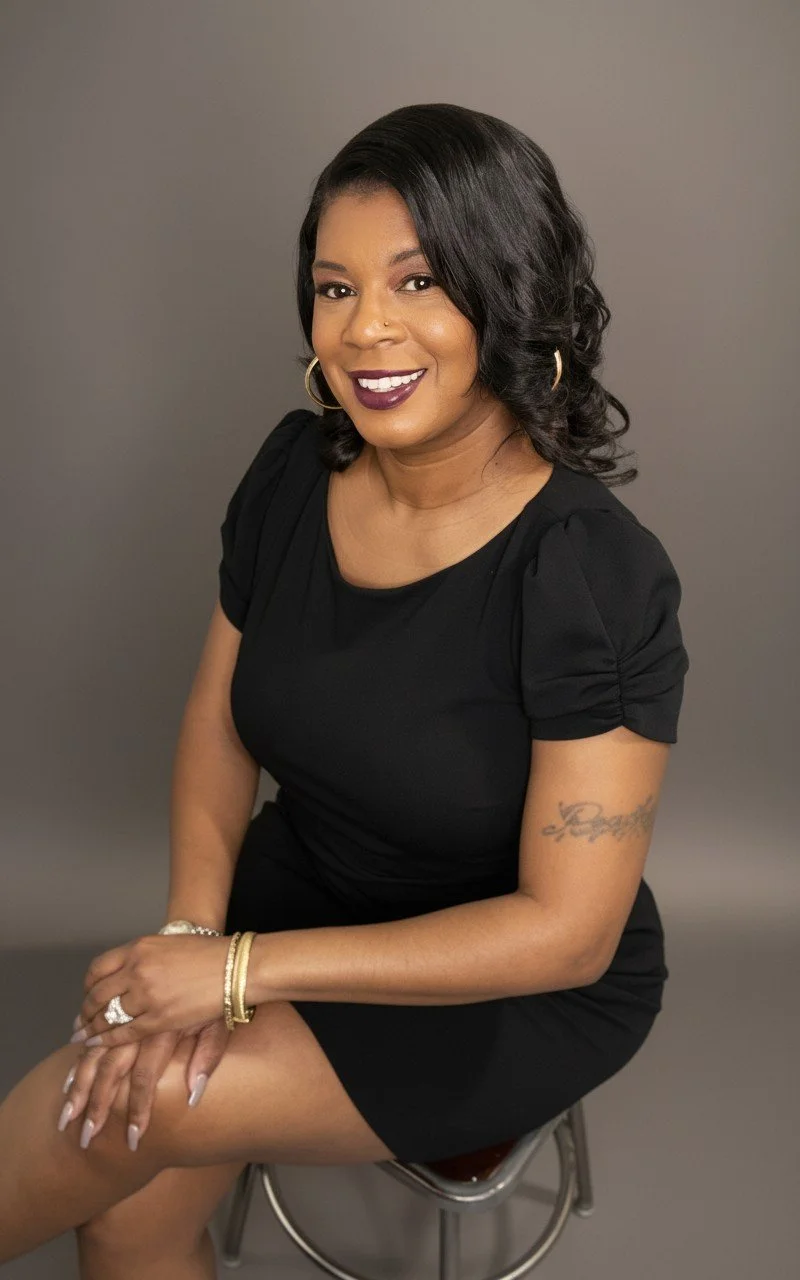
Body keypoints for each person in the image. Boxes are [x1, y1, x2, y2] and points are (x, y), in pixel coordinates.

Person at [0, 102, 689, 1274]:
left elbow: (564, 933)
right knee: (121, 1201)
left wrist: (230, 976)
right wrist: (190, 927)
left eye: (418, 282)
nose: (365, 328)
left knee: (125, 1104)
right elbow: (219, 727)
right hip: (301, 894)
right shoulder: (292, 469)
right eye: (333, 288)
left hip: (499, 981)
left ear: (505, 293)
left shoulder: (587, 570)